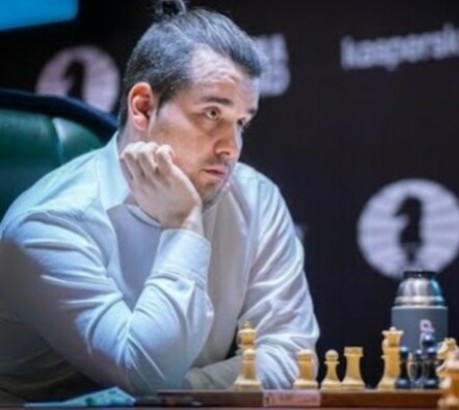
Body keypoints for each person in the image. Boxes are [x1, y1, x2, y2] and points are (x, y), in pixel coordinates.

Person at [0, 0, 319, 402]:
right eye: (212, 114)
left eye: (241, 122)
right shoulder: (47, 224)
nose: (232, 148)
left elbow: (292, 356)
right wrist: (184, 225)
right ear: (143, 108)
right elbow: (146, 372)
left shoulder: (256, 199)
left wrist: (185, 392)